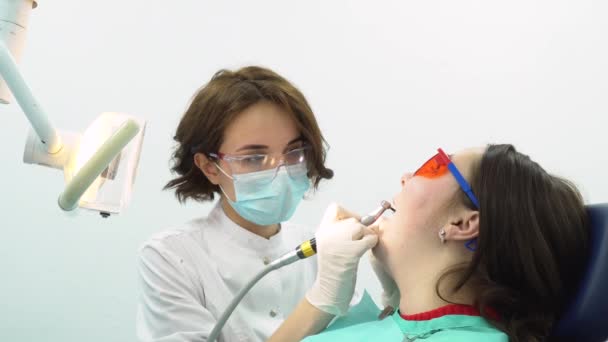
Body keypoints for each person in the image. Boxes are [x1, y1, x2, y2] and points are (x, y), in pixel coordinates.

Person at [269, 144, 589, 342]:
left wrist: (320, 303)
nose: (406, 176)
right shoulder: (379, 325)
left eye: (434, 166)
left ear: (463, 223)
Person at [136, 66, 333, 342]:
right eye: (254, 158)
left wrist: (391, 288)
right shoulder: (171, 257)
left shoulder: (321, 247)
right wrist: (319, 302)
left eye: (294, 153)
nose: (282, 171)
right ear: (210, 167)